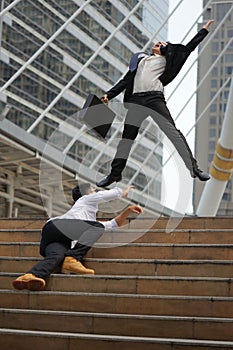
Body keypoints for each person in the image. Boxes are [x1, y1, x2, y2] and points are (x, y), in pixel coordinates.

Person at [96, 20, 214, 188]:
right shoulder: (141, 61)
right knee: (127, 138)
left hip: (154, 99)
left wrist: (203, 31)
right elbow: (125, 81)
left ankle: (194, 169)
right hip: (136, 100)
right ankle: (114, 175)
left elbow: (187, 49)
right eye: (157, 43)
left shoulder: (167, 61)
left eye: (161, 44)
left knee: (172, 132)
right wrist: (109, 94)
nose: (158, 44)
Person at [12, 183, 142, 291]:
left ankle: (29, 276)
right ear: (86, 194)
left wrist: (128, 210)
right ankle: (73, 259)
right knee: (96, 227)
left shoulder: (87, 220)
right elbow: (102, 196)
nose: (96, 192)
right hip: (58, 226)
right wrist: (121, 192)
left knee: (56, 257)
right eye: (93, 190)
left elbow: (112, 224)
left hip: (54, 237)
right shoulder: (84, 200)